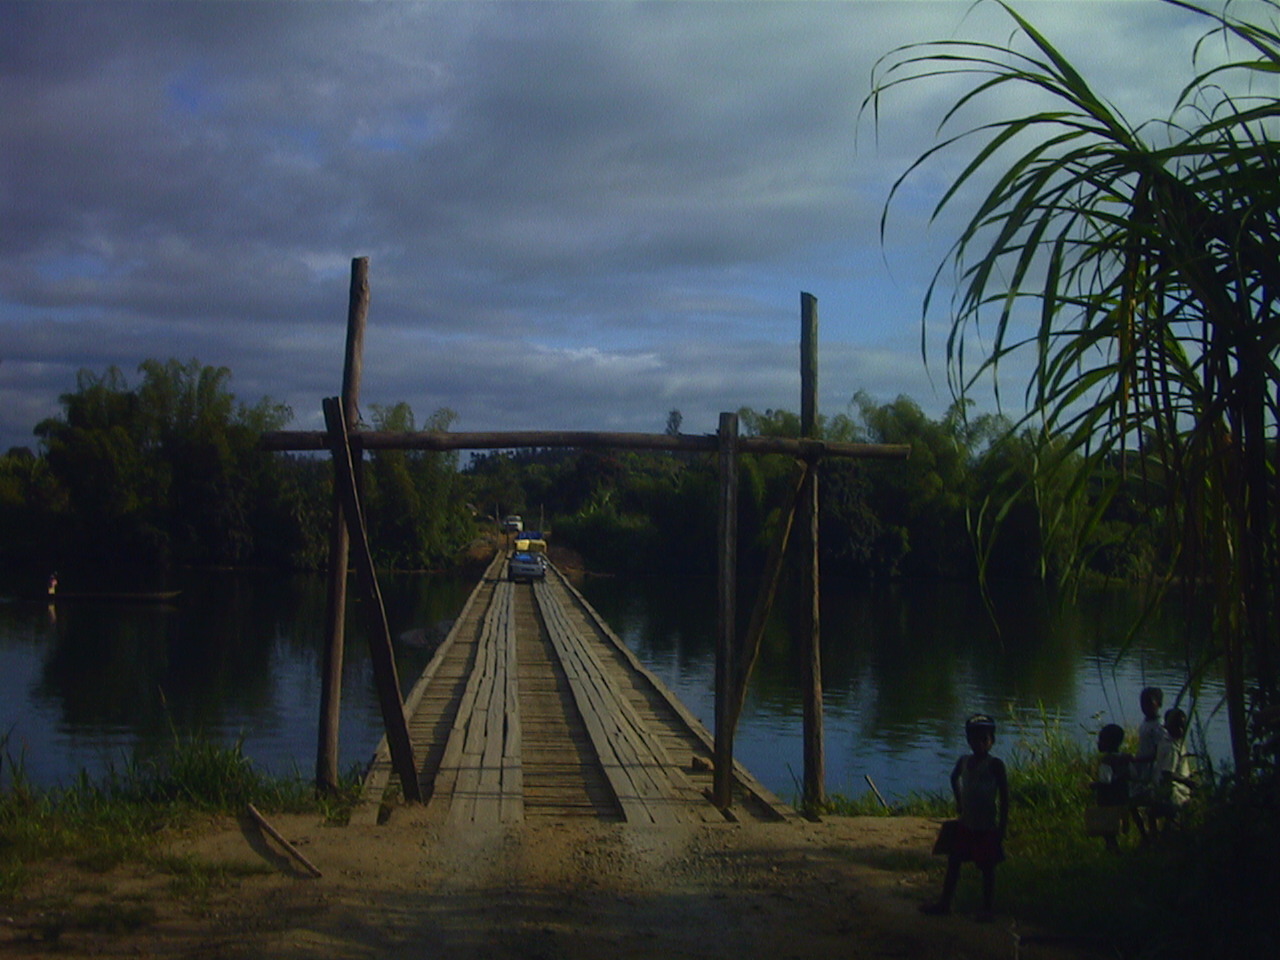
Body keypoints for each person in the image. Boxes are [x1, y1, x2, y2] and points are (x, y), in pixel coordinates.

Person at [921, 714, 1009, 922]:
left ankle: (987, 909)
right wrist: (959, 801)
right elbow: (954, 778)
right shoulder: (964, 761)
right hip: (967, 824)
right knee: (954, 863)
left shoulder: (995, 765)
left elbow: (1005, 798)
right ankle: (945, 903)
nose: (979, 744)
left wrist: (1002, 827)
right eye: (974, 739)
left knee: (987, 869)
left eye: (984, 739)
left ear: (992, 741)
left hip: (987, 826)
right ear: (968, 740)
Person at [1089, 723, 1131, 852]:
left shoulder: (1106, 761)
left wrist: (1094, 785)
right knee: (1118, 821)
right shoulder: (1125, 757)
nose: (1098, 743)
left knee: (1107, 827)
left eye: (1101, 740)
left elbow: (1105, 780)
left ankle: (1112, 847)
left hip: (1107, 799)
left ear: (1108, 743)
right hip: (1122, 796)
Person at [1151, 707, 1195, 832]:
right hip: (1174, 792)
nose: (1180, 730)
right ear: (1167, 727)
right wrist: (1187, 782)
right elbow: (1168, 773)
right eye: (1177, 726)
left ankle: (1155, 839)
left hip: (1163, 790)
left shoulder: (1166, 741)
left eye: (1183, 726)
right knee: (1173, 819)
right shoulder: (1172, 748)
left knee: (1160, 817)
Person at [1130, 686, 1164, 841]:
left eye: (1149, 703)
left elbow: (1158, 753)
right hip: (1142, 769)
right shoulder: (1146, 723)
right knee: (1133, 802)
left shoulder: (1159, 727)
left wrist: (1137, 759)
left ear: (1158, 704)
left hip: (1152, 771)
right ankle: (1146, 835)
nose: (1145, 707)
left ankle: (1152, 835)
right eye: (1143, 703)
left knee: (1149, 804)